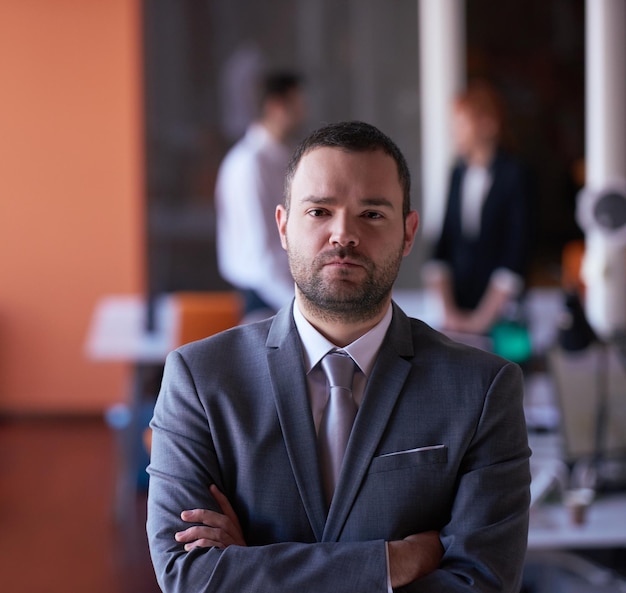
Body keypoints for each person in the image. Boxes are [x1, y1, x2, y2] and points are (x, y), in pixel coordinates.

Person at [147, 121, 531, 592]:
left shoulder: (483, 388)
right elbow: (186, 576)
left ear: (408, 233)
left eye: (371, 214)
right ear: (283, 227)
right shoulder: (199, 379)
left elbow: (482, 583)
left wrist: (251, 568)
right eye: (319, 211)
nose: (343, 234)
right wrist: (391, 563)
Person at [425, 80, 533, 336]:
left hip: (502, 315)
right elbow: (445, 243)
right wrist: (449, 312)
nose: (455, 132)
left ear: (488, 125)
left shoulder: (516, 175)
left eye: (462, 123)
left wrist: (483, 319)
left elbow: (516, 250)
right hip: (457, 311)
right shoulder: (457, 173)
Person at [215, 70, 307, 321]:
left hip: (289, 291)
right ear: (276, 106)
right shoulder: (249, 165)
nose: (304, 112)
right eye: (298, 103)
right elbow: (262, 254)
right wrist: (304, 309)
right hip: (266, 296)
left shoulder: (284, 156)